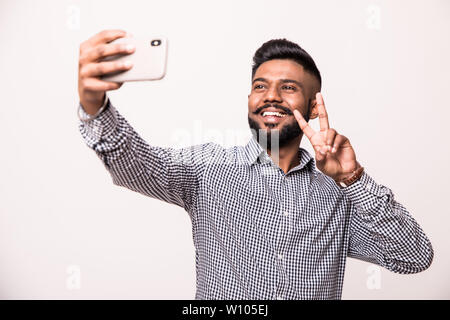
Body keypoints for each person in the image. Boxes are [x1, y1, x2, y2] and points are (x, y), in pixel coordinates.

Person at [77, 29, 434, 299]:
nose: (271, 96)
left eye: (288, 87)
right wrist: (95, 105)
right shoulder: (208, 167)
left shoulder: (340, 196)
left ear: (313, 107)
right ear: (250, 98)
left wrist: (354, 179)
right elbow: (137, 167)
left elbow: (413, 257)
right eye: (260, 86)